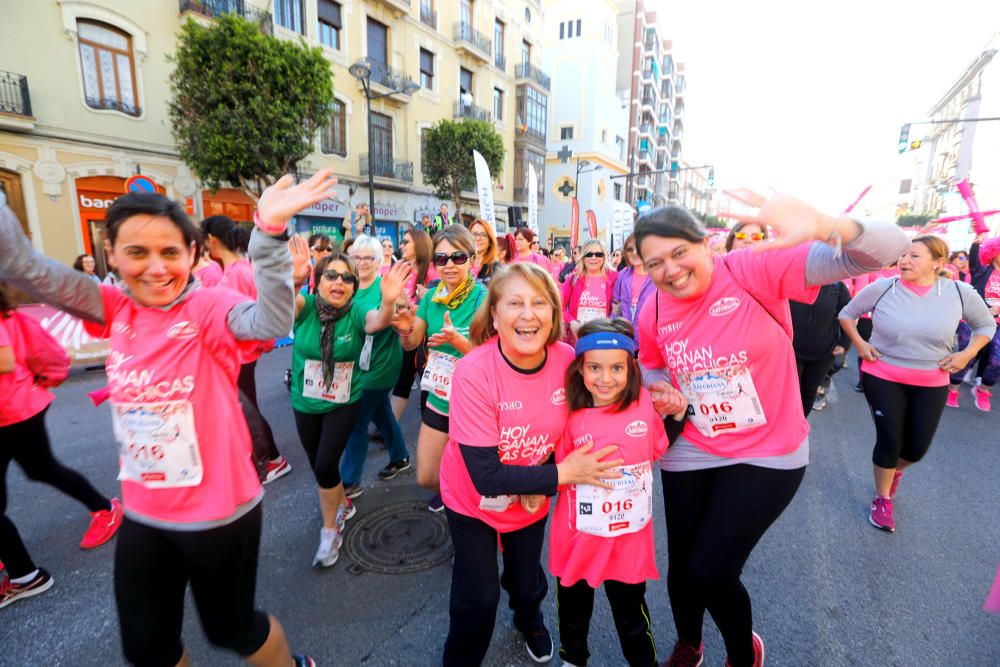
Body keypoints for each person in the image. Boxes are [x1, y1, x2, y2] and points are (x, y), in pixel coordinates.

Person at [0, 174, 334, 666]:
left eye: (170, 253)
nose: (156, 269)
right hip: (145, 511)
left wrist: (268, 232)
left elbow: (270, 322)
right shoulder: (112, 307)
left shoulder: (205, 306)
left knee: (232, 630)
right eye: (137, 253)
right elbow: (23, 267)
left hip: (221, 512)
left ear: (193, 254)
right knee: (147, 648)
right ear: (111, 253)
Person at [634, 195, 909, 667]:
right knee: (682, 567)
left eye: (680, 253)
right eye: (656, 263)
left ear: (706, 244)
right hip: (694, 444)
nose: (671, 271)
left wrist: (827, 223)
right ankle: (690, 644)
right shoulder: (654, 308)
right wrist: (663, 391)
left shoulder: (749, 270)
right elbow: (653, 365)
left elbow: (888, 248)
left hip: (769, 448)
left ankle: (744, 654)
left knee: (711, 569)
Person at [437, 263, 624, 666]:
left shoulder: (568, 360)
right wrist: (559, 476)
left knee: (525, 584)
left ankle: (530, 620)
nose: (528, 314)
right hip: (472, 501)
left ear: (554, 314)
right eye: (515, 303)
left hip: (532, 496)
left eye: (539, 303)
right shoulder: (473, 371)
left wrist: (668, 409)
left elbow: (599, 417)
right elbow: (486, 476)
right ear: (494, 314)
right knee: (478, 601)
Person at [840, 235, 995, 533]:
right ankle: (882, 499)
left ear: (938, 262)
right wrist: (860, 344)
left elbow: (985, 326)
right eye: (903, 256)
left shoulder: (959, 292)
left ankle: (894, 471)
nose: (904, 261)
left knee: (915, 449)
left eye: (914, 256)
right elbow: (847, 314)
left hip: (931, 379)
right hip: (882, 374)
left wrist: (967, 354)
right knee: (889, 439)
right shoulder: (884, 287)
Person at [550, 318, 671, 667]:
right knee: (573, 613)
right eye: (595, 368)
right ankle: (574, 657)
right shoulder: (568, 416)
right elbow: (555, 472)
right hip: (578, 538)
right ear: (580, 368)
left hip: (627, 541)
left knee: (632, 617)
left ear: (631, 368)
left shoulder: (644, 405)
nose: (606, 378)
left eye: (617, 367)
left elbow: (657, 447)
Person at [0, 283, 123, 609]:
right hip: (17, 407)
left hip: (13, 411)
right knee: (41, 469)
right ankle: (104, 509)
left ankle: (26, 575)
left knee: (43, 469)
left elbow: (5, 360)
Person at [392, 226, 486, 513]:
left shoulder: (483, 297)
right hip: (440, 396)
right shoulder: (432, 298)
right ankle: (457, 495)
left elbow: (491, 357)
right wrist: (405, 328)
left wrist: (459, 342)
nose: (449, 265)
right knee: (427, 475)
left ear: (471, 260)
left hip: (475, 403)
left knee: (483, 476)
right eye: (441, 258)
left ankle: (469, 514)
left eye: (458, 257)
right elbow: (410, 345)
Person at [203, 215, 290, 484]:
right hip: (231, 355)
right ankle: (256, 459)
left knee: (246, 409)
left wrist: (261, 345)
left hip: (240, 355)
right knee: (241, 409)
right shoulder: (230, 271)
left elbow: (258, 315)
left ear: (212, 240)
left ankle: (274, 459)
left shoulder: (239, 272)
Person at [339, 236, 412, 499]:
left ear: (379, 261)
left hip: (381, 364)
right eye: (357, 257)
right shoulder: (347, 285)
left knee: (356, 420)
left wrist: (399, 313)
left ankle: (349, 480)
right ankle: (401, 456)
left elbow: (404, 317)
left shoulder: (387, 286)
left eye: (368, 257)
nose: (361, 262)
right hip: (353, 365)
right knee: (381, 413)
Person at [946, 234, 1000, 411]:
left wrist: (997, 309)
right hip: (972, 320)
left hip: (997, 324)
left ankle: (983, 389)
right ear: (994, 253)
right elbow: (975, 253)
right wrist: (978, 239)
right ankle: (952, 389)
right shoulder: (981, 270)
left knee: (997, 360)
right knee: (967, 356)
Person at [390, 228, 435, 424]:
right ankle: (390, 431)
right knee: (403, 382)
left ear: (419, 244)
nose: (401, 245)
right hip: (409, 334)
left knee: (429, 388)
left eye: (406, 242)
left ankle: (434, 429)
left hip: (429, 340)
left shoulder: (434, 271)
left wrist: (428, 300)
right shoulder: (404, 271)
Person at [790, 281, 852, 417]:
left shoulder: (837, 287)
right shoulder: (788, 282)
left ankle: (801, 425)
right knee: (791, 394)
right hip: (791, 351)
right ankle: (789, 430)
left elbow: (849, 313)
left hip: (824, 352)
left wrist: (844, 342)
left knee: (809, 392)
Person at [561, 240, 618, 343]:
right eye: (589, 254)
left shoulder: (614, 278)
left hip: (603, 337)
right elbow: (560, 305)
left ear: (604, 257)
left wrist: (610, 324)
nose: (593, 258)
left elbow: (620, 306)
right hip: (578, 338)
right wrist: (571, 322)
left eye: (598, 254)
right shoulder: (573, 279)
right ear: (583, 257)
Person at [612, 234, 655, 341]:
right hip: (625, 339)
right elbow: (615, 308)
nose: (635, 253)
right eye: (630, 249)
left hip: (651, 340)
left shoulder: (658, 275)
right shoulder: (622, 275)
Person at [469, 218, 502, 284]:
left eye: (483, 235)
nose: (478, 238)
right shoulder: (461, 263)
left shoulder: (496, 269)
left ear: (490, 241)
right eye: (474, 234)